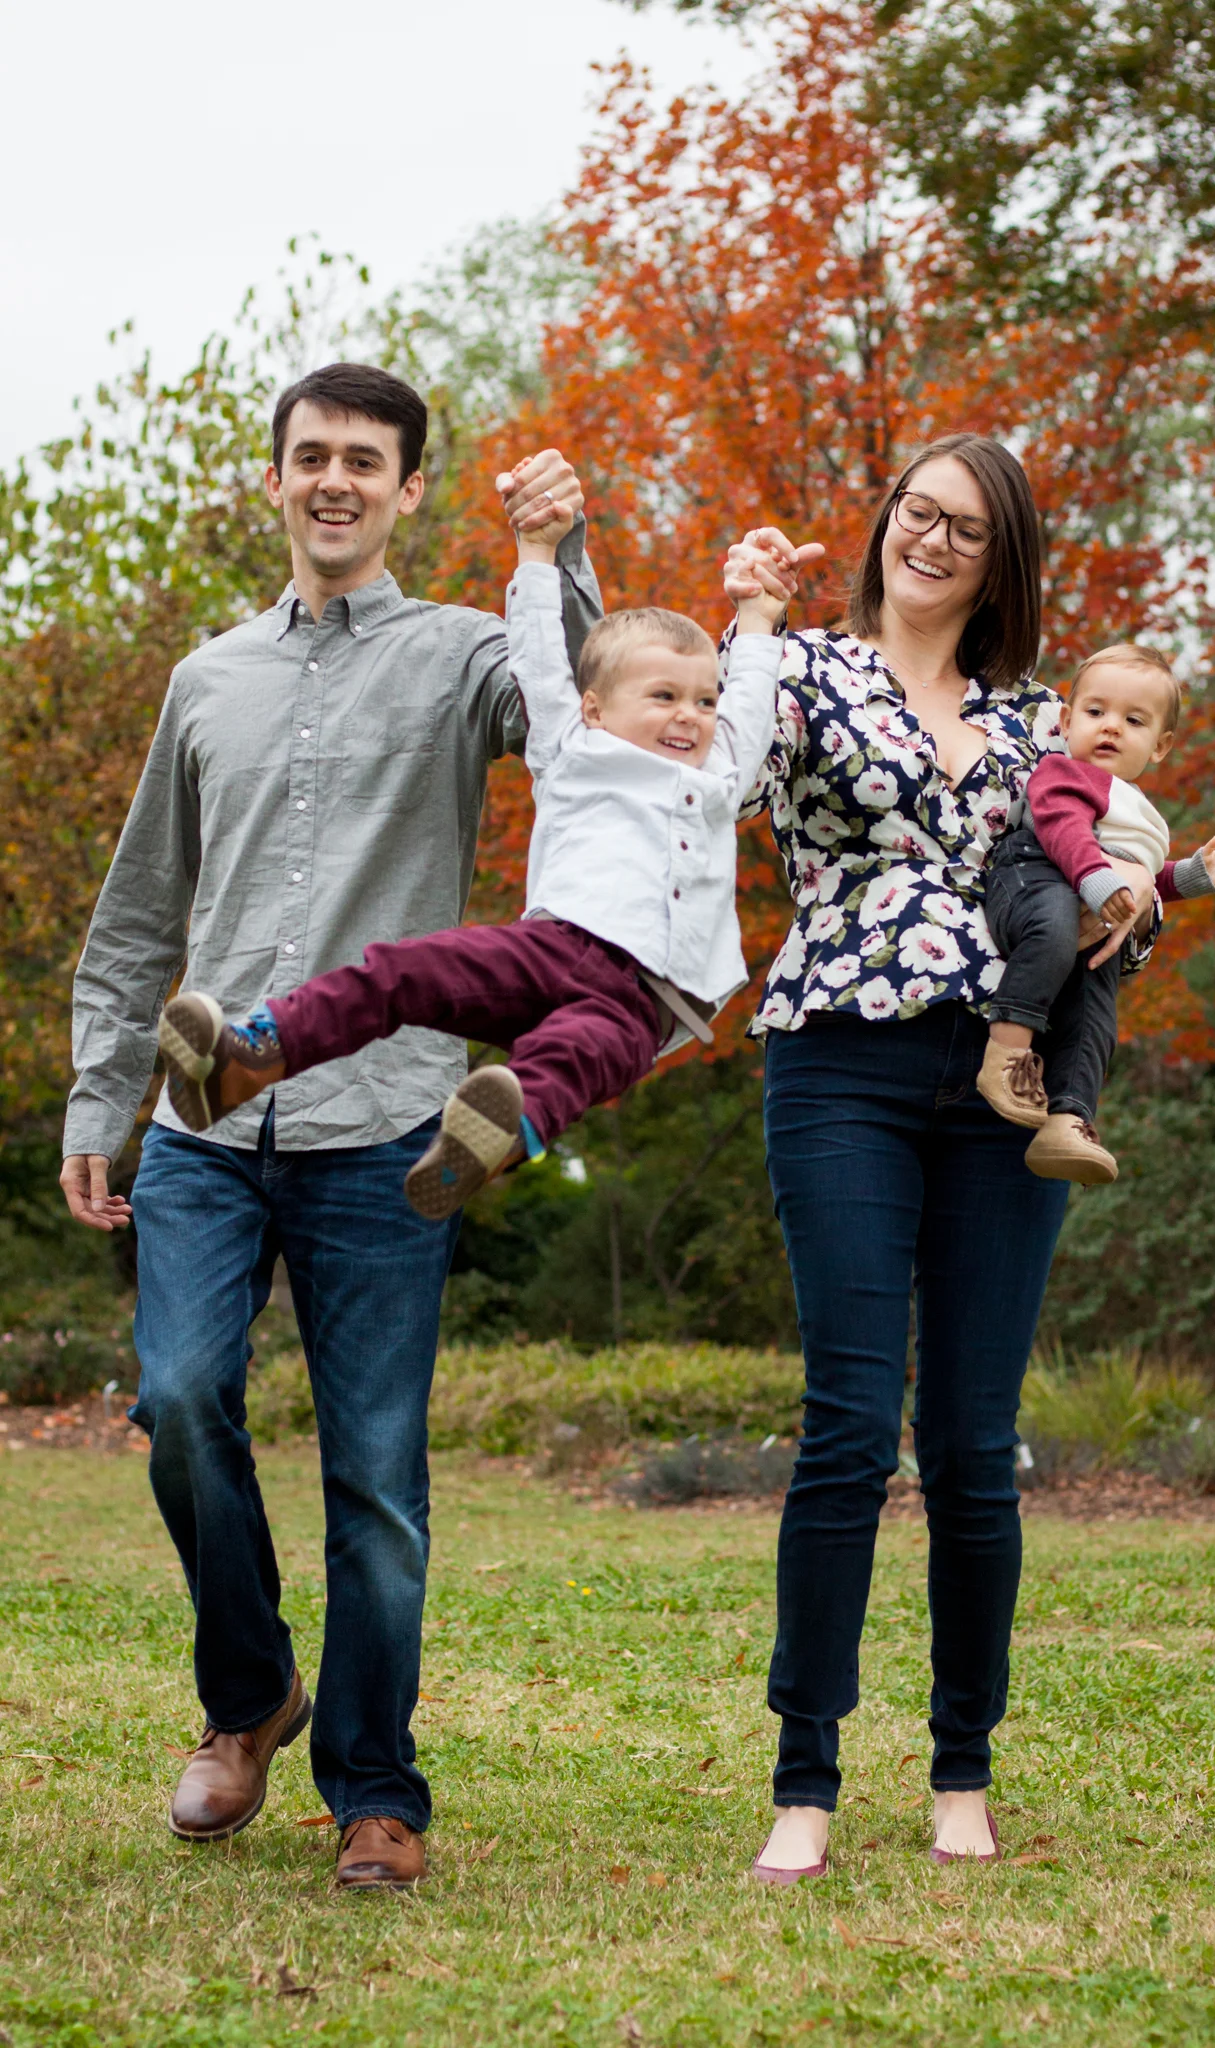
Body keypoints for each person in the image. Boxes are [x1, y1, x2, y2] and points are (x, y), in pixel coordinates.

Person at [59, 362, 599, 1891]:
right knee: (176, 1398)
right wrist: (103, 1093)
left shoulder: (469, 657)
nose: (336, 481)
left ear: (412, 488)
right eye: (312, 457)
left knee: (375, 1474)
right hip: (206, 1122)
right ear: (278, 479)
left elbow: (587, 709)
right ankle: (250, 1701)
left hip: (384, 1125)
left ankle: (378, 1791)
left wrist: (562, 545)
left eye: (367, 459)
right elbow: (141, 906)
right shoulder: (206, 678)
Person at [724, 435, 1161, 1881]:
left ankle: (961, 1770)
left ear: (999, 558)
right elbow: (695, 771)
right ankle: (805, 1780)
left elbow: (1099, 873)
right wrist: (738, 618)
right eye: (916, 511)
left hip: (1002, 1079)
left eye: (965, 528)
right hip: (838, 1060)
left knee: (973, 1442)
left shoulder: (1046, 720)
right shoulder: (792, 671)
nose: (931, 538)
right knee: (848, 1420)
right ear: (883, 525)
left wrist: (1130, 912)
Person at [152, 471, 814, 1209]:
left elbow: (752, 707)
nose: (689, 716)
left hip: (645, 996)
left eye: (702, 699)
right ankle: (249, 1059)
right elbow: (534, 654)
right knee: (401, 972)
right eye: (662, 697)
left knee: (573, 1059)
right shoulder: (570, 745)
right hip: (549, 950)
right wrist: (534, 552)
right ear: (593, 708)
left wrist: (757, 614)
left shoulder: (719, 770)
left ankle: (490, 1139)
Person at [977, 641, 1215, 1183]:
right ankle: (1005, 1054)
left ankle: (1069, 1117)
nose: (1111, 727)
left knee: (1096, 1012)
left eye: (1133, 719)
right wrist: (1097, 878)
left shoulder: (1141, 810)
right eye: (1096, 713)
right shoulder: (1063, 771)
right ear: (1068, 719)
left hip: (1094, 907)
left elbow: (1144, 880)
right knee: (1053, 928)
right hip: (1037, 875)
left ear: (1161, 745)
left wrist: (1191, 876)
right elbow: (1062, 829)